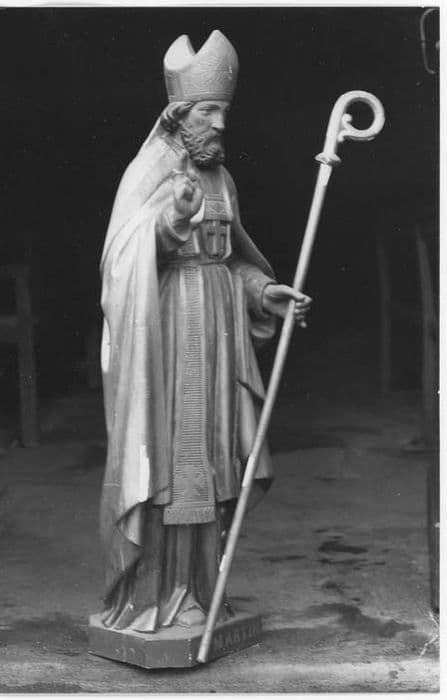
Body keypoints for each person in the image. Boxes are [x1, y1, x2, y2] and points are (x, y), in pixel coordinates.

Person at [99, 30, 311, 633]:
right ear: (179, 114)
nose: (220, 124)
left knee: (214, 463)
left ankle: (198, 591)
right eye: (208, 111)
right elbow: (121, 261)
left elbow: (231, 260)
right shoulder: (149, 172)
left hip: (219, 334)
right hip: (169, 335)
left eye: (223, 111)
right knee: (171, 464)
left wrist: (263, 291)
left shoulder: (222, 179)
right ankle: (155, 597)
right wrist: (173, 218)